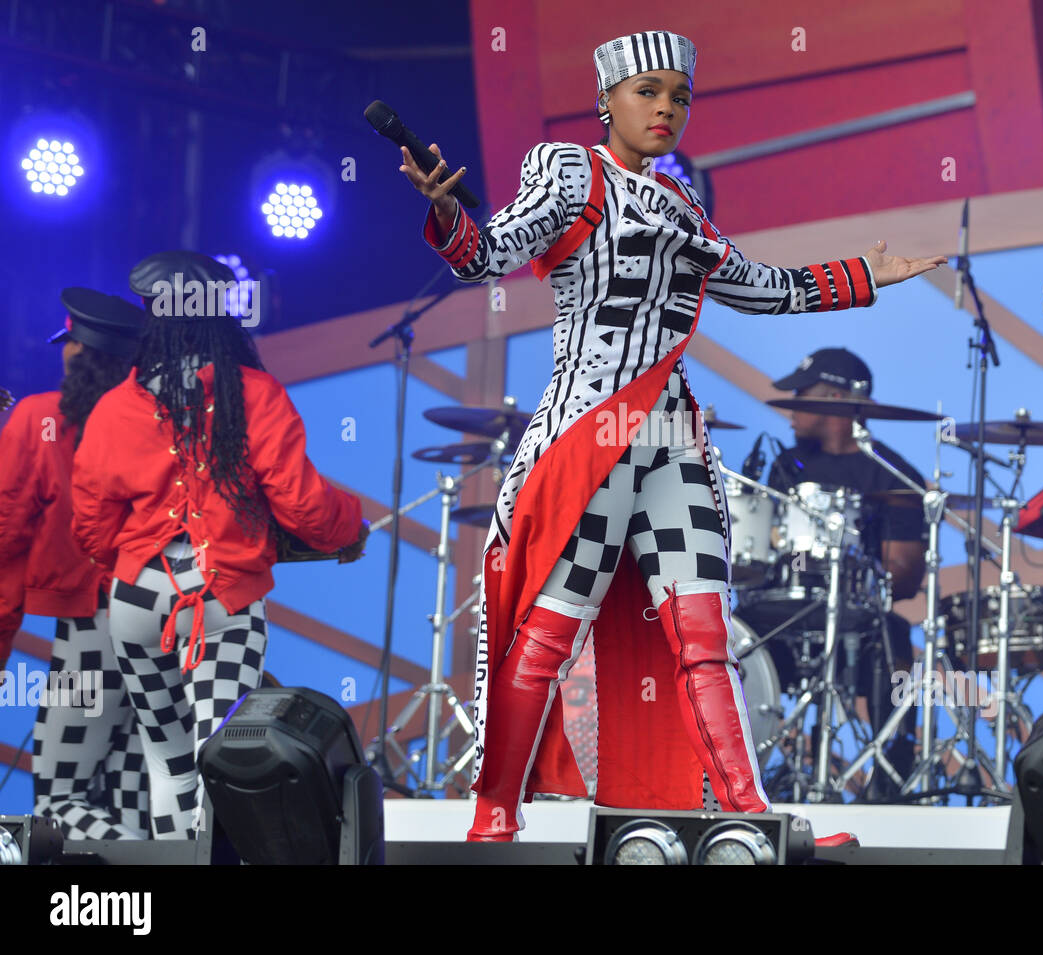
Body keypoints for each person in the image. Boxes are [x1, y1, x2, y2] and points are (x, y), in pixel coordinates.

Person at [401, 29, 947, 840]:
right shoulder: (567, 172)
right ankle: (495, 816)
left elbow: (758, 288)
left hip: (671, 440)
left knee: (705, 631)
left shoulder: (681, 203)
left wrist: (864, 277)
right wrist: (448, 212)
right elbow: (487, 256)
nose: (665, 108)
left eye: (679, 96)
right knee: (549, 632)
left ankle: (747, 815)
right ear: (606, 100)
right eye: (647, 91)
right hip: (591, 433)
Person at [71, 254, 367, 839]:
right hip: (222, 603)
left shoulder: (116, 405)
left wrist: (127, 563)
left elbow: (89, 521)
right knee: (220, 760)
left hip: (136, 603)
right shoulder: (252, 392)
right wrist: (348, 527)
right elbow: (301, 502)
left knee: (169, 762)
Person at [0, 288, 150, 838]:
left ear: (74, 351)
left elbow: (4, 533)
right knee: (133, 793)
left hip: (92, 631)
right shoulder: (163, 421)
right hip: (170, 628)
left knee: (59, 799)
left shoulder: (40, 418)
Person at [765, 347, 926, 800]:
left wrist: (865, 571)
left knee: (891, 635)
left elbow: (907, 582)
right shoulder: (784, 467)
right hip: (783, 607)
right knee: (726, 639)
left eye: (801, 393)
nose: (791, 406)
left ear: (835, 397)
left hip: (857, 616)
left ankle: (889, 782)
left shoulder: (893, 476)